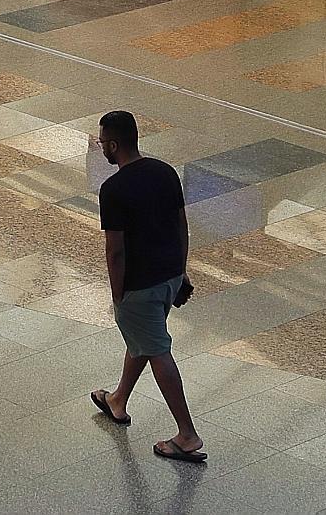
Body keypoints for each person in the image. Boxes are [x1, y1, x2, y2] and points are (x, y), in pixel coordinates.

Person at [88, 109, 204, 463]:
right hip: (169, 277)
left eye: (101, 142)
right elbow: (181, 226)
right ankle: (118, 400)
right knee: (145, 337)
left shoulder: (113, 189)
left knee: (156, 349)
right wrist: (181, 273)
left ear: (113, 144)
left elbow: (116, 250)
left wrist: (118, 294)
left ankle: (187, 434)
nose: (100, 148)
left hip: (140, 285)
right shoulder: (165, 171)